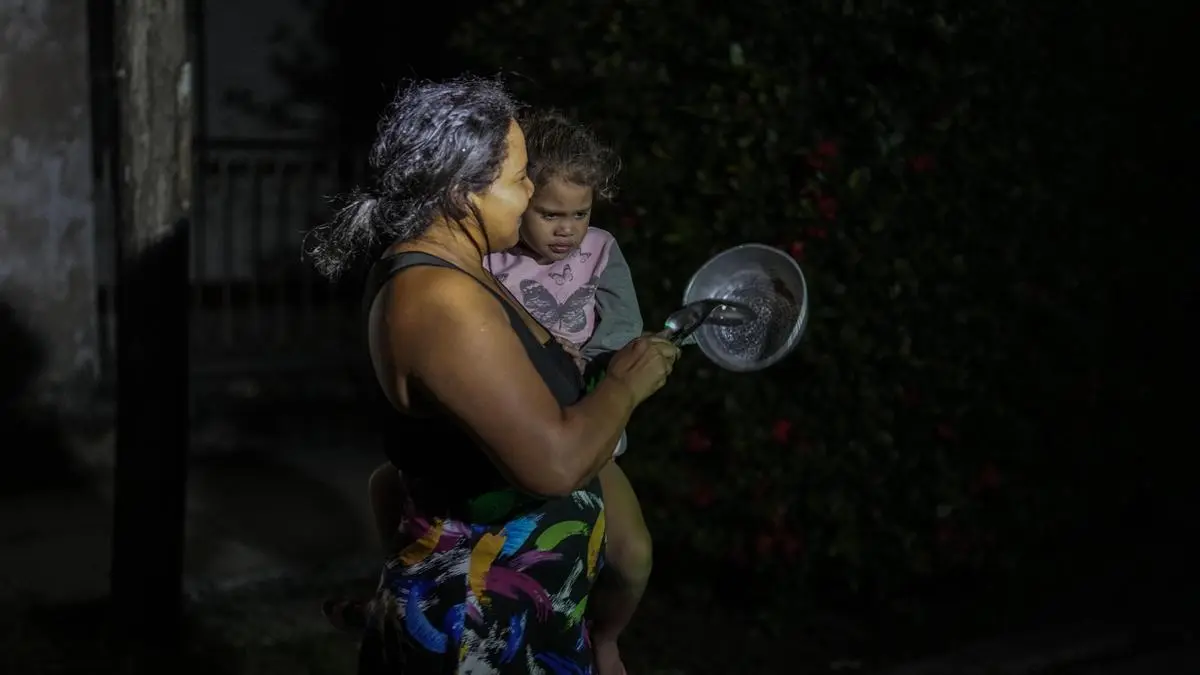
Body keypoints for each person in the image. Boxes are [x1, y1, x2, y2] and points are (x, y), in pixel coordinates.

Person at [306, 77, 680, 674]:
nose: (530, 192)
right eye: (520, 178)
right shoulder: (440, 300)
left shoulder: (459, 273)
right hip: (480, 624)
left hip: (522, 610)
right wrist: (624, 386)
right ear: (463, 194)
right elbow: (552, 465)